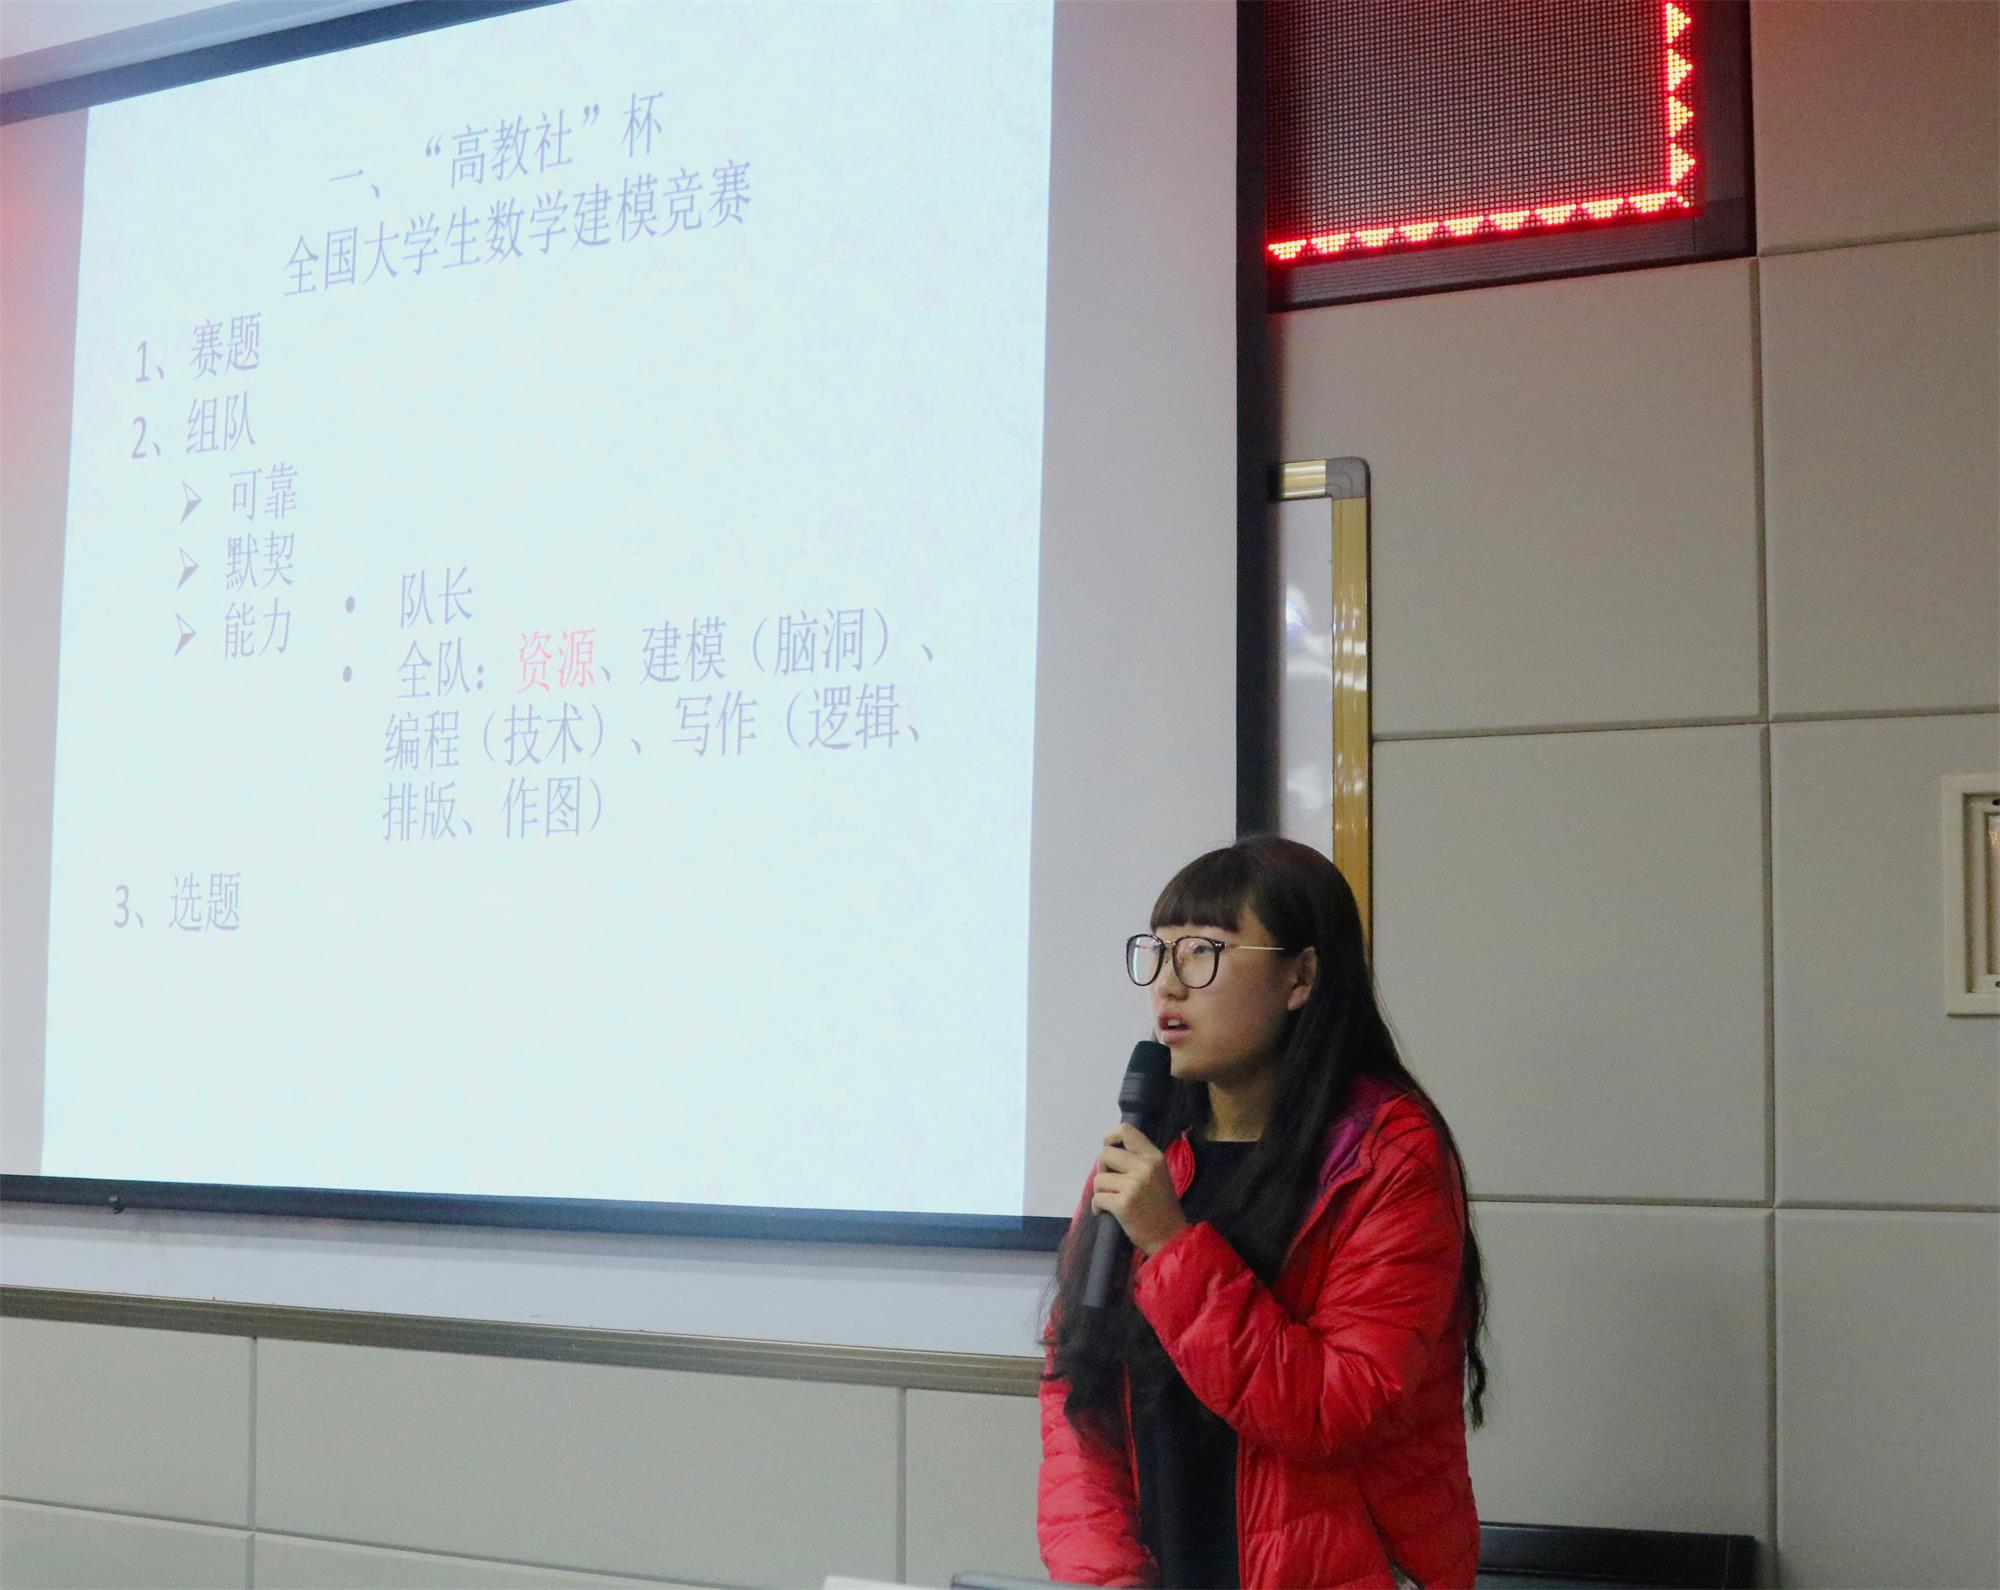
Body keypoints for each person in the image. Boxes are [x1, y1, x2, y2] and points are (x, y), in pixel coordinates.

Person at [1037, 835, 1487, 1589]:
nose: (1168, 985)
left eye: (1204, 953)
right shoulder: (1152, 1147)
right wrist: (1106, 1575)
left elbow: (1338, 1406)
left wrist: (1172, 1246)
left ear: (1300, 976)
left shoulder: (1385, 1157)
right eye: (1158, 952)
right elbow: (1077, 1389)